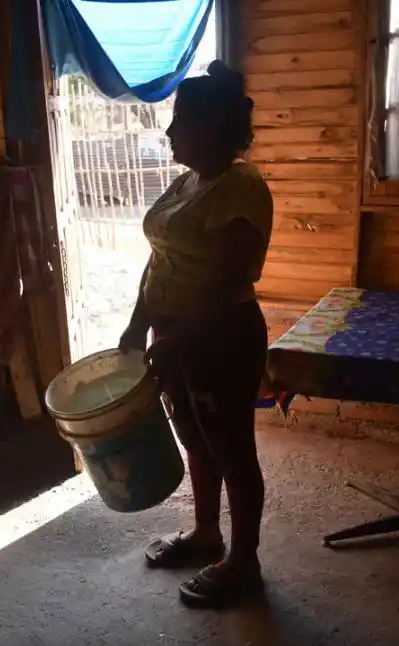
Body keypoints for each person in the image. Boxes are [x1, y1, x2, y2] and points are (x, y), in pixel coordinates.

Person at [119, 60, 273, 608]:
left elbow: (227, 280)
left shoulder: (242, 186)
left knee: (232, 449)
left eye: (180, 120)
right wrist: (139, 326)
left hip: (221, 339)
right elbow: (160, 259)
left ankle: (243, 562)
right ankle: (207, 532)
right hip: (175, 338)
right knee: (195, 439)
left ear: (211, 127)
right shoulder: (189, 183)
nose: (168, 133)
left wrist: (179, 342)